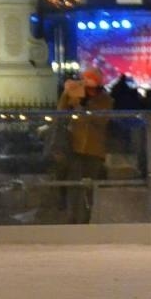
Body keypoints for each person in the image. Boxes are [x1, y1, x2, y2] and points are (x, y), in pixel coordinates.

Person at [55, 68, 114, 223]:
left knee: (88, 187)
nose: (87, 85)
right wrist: (67, 94)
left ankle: (85, 218)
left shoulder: (104, 99)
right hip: (74, 147)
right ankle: (72, 217)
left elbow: (101, 120)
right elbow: (60, 112)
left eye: (91, 81)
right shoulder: (75, 95)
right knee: (73, 185)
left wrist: (81, 107)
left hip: (94, 151)